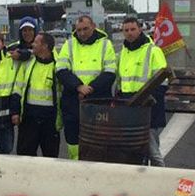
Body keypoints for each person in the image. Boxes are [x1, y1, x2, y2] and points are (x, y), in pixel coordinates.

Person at [56, 15, 116, 160]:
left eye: (85, 29)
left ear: (94, 26)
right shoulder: (69, 44)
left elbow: (110, 72)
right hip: (73, 100)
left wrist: (90, 88)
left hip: (98, 101)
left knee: (98, 140)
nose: (82, 33)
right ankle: (75, 166)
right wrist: (78, 86)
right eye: (79, 30)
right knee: (72, 140)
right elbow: (61, 70)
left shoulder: (105, 45)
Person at [117, 17, 168, 166]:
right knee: (133, 152)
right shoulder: (123, 53)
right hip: (129, 108)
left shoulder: (153, 51)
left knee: (153, 152)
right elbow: (121, 82)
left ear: (140, 29)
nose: (129, 33)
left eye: (133, 29)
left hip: (148, 107)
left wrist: (146, 100)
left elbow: (163, 82)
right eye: (126, 30)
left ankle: (161, 181)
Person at [11, 32, 61, 157]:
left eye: (36, 42)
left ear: (45, 46)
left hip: (50, 119)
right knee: (25, 155)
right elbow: (17, 89)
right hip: (29, 117)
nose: (32, 44)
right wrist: (15, 112)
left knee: (50, 157)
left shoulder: (59, 65)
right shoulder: (27, 63)